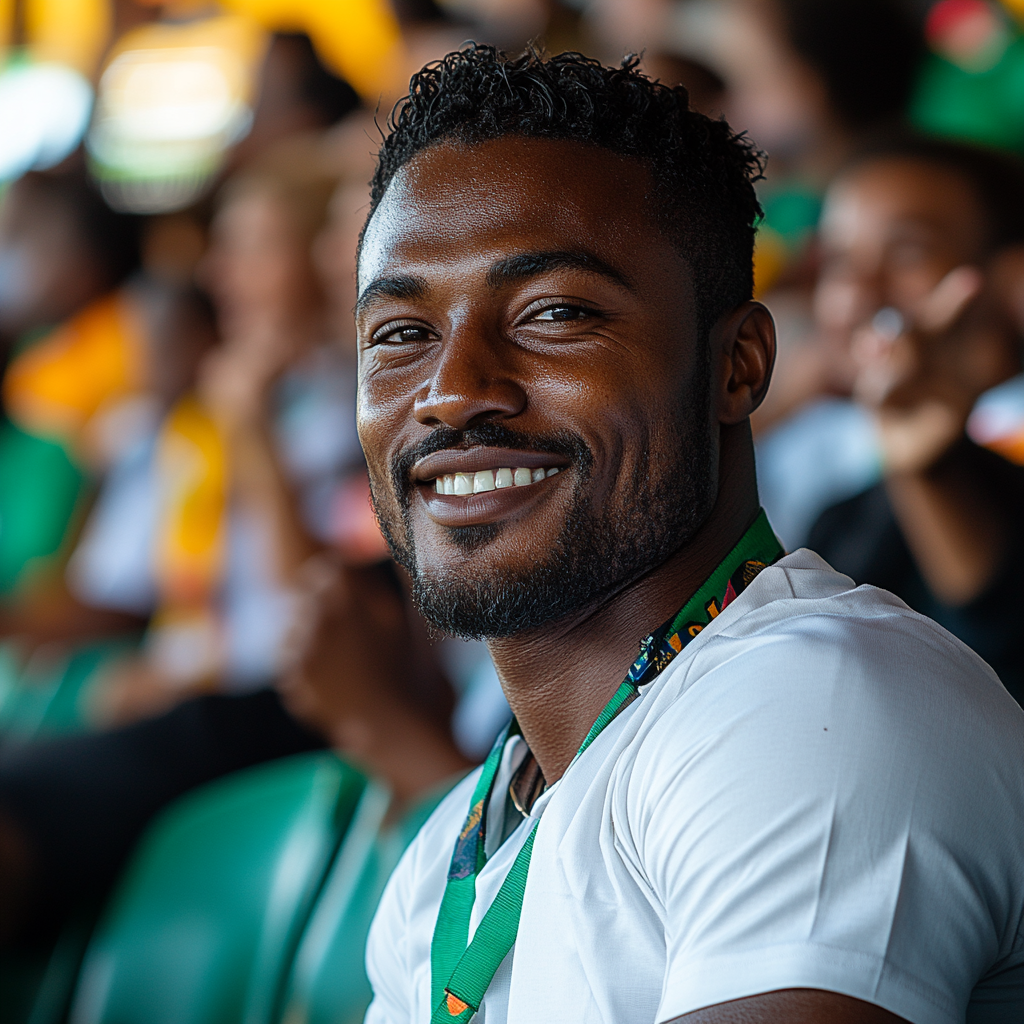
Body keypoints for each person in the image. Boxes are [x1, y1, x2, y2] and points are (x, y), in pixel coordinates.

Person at [354, 47, 1024, 1023]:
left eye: (554, 313)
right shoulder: (455, 848)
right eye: (399, 335)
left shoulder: (809, 706)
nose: (453, 389)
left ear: (738, 365)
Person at [806, 136, 1024, 703]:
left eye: (907, 254)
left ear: (1013, 279)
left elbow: (997, 650)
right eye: (838, 262)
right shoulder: (839, 509)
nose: (859, 292)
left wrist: (931, 472)